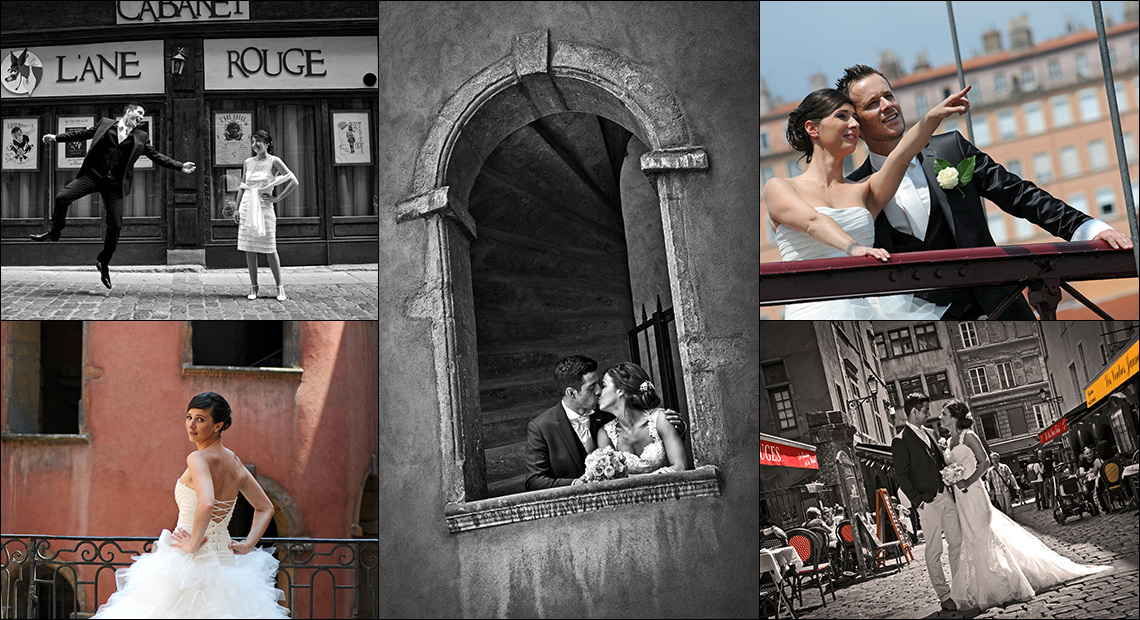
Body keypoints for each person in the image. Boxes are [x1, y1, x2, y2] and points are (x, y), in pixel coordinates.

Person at [836, 65, 1132, 319]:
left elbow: (1020, 195)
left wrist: (1087, 228)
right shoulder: (854, 189)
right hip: (929, 321)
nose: (887, 105)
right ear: (855, 122)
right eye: (873, 103)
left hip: (1001, 304)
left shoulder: (951, 149)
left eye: (889, 95)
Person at [764, 85, 973, 319]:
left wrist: (933, 116)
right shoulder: (779, 187)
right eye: (842, 117)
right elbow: (813, 221)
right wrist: (855, 248)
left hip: (874, 308)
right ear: (812, 128)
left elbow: (901, 156)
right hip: (815, 309)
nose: (854, 125)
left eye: (855, 118)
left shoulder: (865, 190)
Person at [91, 392, 288, 618]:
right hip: (225, 562)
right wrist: (247, 544)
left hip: (188, 562)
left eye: (200, 419)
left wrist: (192, 545)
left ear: (218, 426)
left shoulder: (198, 458)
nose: (191, 425)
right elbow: (265, 508)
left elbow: (207, 502)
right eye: (189, 417)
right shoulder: (233, 461)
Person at [940, 400, 1110, 612]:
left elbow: (984, 462)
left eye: (944, 413)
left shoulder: (969, 436)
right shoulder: (948, 441)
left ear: (955, 416)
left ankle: (1005, 582)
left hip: (973, 492)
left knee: (984, 534)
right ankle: (981, 586)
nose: (940, 417)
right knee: (971, 537)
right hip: (961, 497)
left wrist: (967, 481)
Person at [31, 103, 197, 290]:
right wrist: (56, 137)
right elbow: (83, 134)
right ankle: (56, 231)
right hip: (92, 176)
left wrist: (180, 166)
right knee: (62, 197)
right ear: (128, 112)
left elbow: (156, 156)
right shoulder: (105, 124)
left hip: (114, 186)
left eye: (143, 116)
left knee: (116, 225)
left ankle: (104, 262)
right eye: (139, 113)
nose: (141, 117)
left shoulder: (141, 137)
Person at [524, 356, 686, 490]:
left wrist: (679, 428)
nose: (599, 391)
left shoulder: (606, 413)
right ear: (571, 393)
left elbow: (644, 420)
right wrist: (575, 483)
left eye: (601, 384)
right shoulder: (542, 427)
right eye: (592, 387)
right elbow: (534, 481)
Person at [890, 392, 962, 611]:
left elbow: (938, 463)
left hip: (945, 495)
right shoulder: (900, 440)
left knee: (957, 542)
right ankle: (945, 596)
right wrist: (919, 502)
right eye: (924, 411)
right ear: (913, 412)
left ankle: (960, 588)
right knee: (934, 550)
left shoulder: (930, 433)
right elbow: (901, 475)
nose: (928, 414)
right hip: (927, 502)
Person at [594, 362, 689, 478]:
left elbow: (680, 467)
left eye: (604, 385)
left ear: (620, 390)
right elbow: (609, 480)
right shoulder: (605, 434)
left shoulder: (660, 420)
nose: (598, 392)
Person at [235, 130, 298, 301]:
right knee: (249, 248)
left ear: (268, 143)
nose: (255, 145)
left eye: (259, 141)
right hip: (248, 206)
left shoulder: (274, 161)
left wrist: (277, 198)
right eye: (253, 141)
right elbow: (243, 185)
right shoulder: (247, 162)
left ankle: (280, 287)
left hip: (264, 206)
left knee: (270, 248)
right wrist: (236, 208)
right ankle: (254, 286)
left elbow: (293, 180)